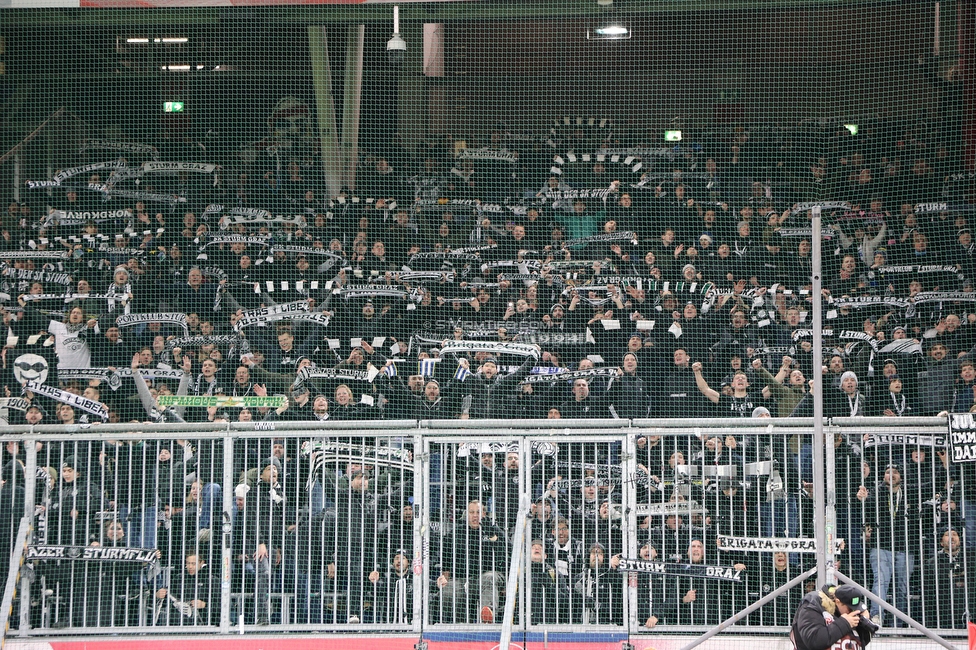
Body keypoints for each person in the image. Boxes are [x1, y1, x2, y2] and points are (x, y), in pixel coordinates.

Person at [790, 584, 875, 650]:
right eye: (850, 608)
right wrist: (844, 623)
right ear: (838, 602)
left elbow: (862, 641)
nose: (853, 611)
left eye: (856, 608)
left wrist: (865, 623)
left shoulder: (849, 612)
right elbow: (814, 641)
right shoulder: (813, 604)